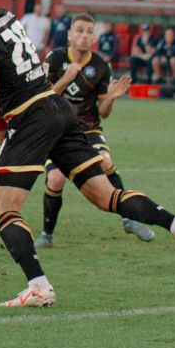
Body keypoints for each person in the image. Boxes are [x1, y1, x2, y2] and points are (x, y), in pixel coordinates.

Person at [0, 0, 175, 311]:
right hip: (59, 109)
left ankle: (39, 285)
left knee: (2, 209)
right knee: (106, 196)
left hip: (31, 117)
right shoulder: (8, 16)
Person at [39, 13, 147, 246]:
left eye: (89, 31)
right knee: (56, 179)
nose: (84, 36)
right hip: (57, 131)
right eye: (79, 30)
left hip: (88, 130)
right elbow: (42, 101)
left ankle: (129, 218)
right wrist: (66, 79)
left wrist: (111, 98)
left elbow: (103, 111)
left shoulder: (101, 66)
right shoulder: (55, 59)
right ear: (69, 35)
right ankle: (47, 234)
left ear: (95, 37)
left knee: (106, 162)